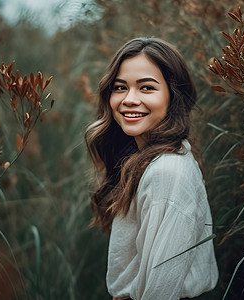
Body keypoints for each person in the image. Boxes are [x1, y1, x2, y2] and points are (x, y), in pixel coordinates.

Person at [85, 37, 218, 300]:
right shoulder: (147, 161)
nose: (129, 99)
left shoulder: (167, 172)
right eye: (120, 87)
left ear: (173, 96)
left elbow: (161, 289)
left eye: (146, 88)